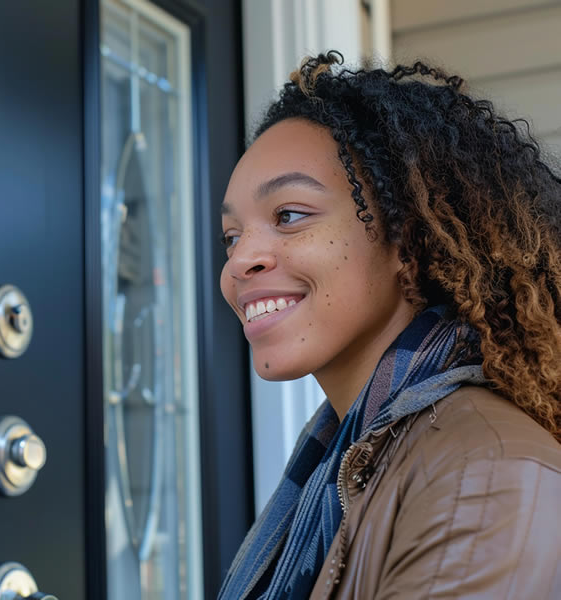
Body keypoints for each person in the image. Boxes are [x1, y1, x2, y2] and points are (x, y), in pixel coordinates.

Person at [216, 51, 561, 599]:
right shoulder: (346, 453)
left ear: (408, 238)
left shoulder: (482, 473)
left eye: (289, 215)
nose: (239, 262)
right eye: (232, 237)